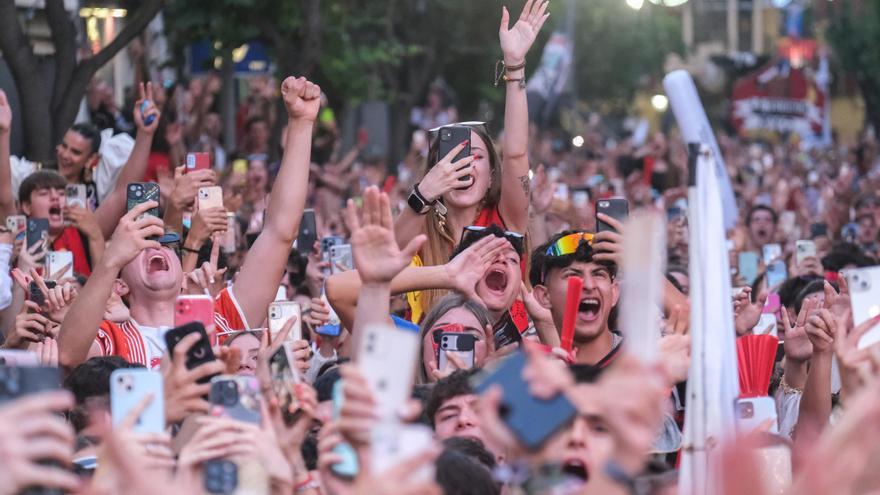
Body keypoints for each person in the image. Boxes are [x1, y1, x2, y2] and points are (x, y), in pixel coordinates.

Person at [57, 75, 323, 370]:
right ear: (120, 285)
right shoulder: (111, 339)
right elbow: (67, 355)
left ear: (181, 273)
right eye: (138, 246)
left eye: (164, 243)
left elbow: (279, 232)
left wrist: (300, 124)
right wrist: (109, 259)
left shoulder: (221, 319)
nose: (154, 247)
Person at [393, 1, 548, 320]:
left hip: (503, 362)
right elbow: (384, 262)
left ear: (492, 176)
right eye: (451, 158)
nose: (463, 164)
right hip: (434, 362)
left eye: (475, 156)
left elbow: (516, 153)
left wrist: (515, 65)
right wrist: (422, 195)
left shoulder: (505, 223)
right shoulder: (420, 228)